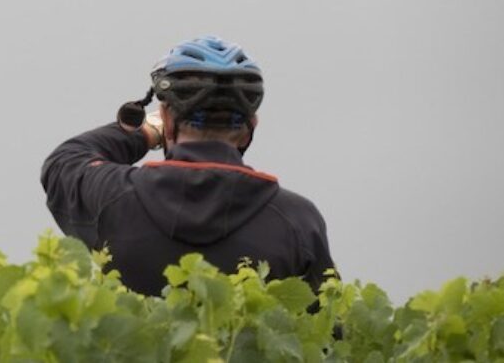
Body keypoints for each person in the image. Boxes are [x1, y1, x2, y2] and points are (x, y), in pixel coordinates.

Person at [40, 36, 337, 296]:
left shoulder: (115, 197)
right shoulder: (297, 221)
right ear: (250, 127)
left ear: (168, 118)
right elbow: (330, 338)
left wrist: (145, 132)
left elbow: (64, 161)